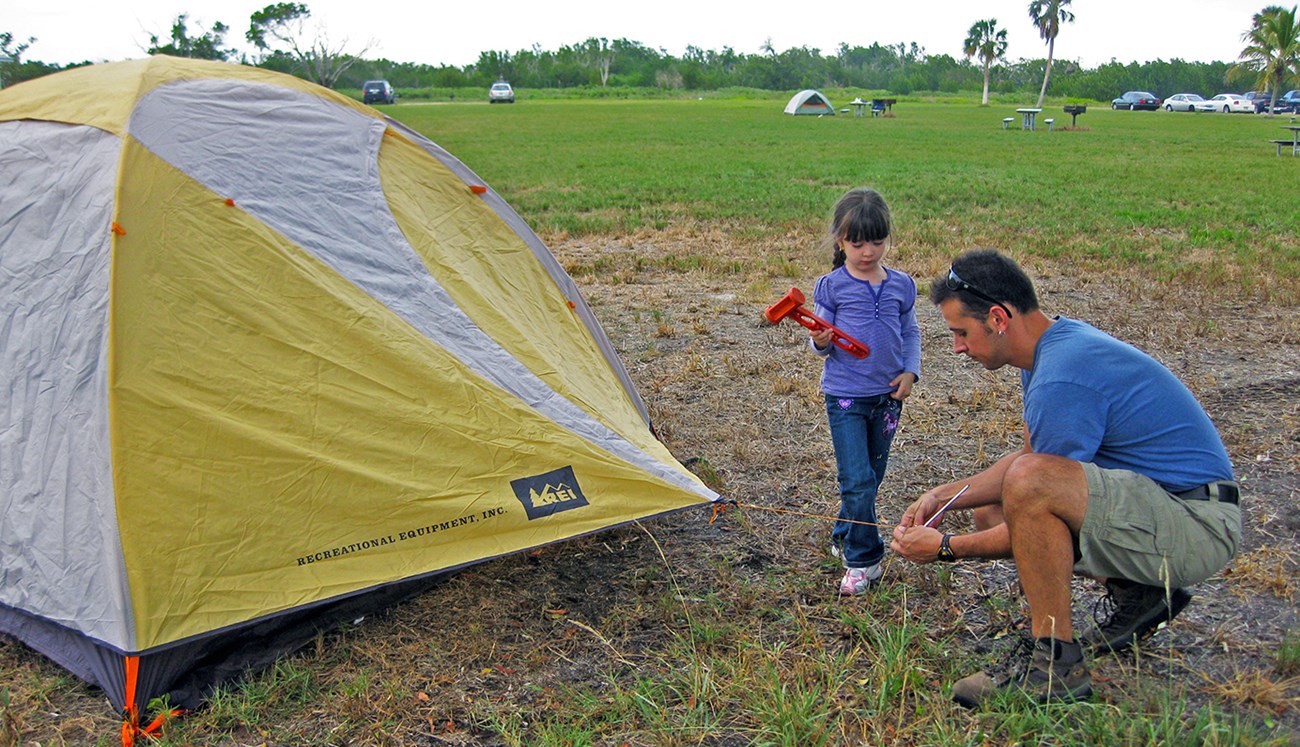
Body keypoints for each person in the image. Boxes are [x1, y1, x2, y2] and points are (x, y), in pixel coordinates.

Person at [890, 249, 1240, 707]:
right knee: (1000, 498)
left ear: (997, 317)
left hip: (1197, 525)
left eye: (960, 332)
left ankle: (1056, 664)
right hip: (1172, 507)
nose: (957, 347)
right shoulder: (1054, 345)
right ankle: (1139, 593)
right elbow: (1031, 462)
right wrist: (946, 497)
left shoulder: (1060, 376)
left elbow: (1035, 486)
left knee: (1028, 486)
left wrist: (946, 549)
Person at [809, 187, 921, 596]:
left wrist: (911, 372)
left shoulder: (901, 285)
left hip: (888, 397)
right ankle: (864, 560)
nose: (868, 251)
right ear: (841, 240)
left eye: (877, 241)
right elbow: (818, 343)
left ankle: (844, 531)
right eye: (857, 243)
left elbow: (910, 332)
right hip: (845, 397)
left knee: (871, 476)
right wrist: (821, 341)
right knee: (855, 479)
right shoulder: (831, 287)